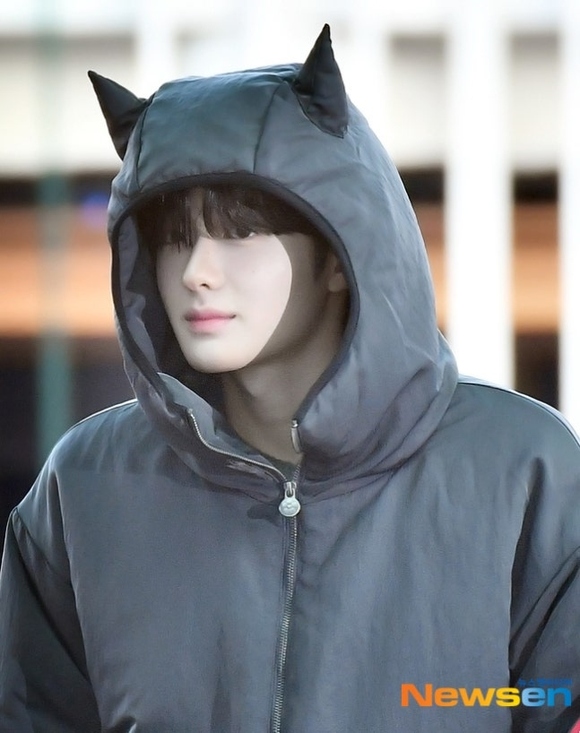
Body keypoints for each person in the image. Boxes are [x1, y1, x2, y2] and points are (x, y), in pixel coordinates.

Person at [0, 24, 578, 733]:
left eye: (240, 234)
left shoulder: (522, 469)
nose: (196, 271)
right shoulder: (85, 486)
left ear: (339, 253)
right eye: (174, 239)